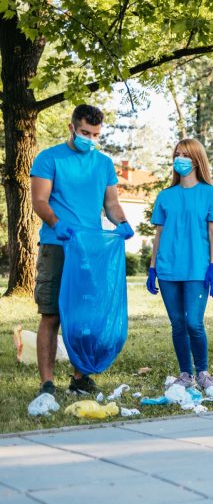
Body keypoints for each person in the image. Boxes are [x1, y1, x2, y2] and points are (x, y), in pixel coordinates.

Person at [30, 104, 134, 397]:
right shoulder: (49, 158)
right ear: (71, 127)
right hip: (57, 245)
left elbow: (111, 204)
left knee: (85, 315)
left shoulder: (102, 163)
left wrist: (122, 223)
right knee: (51, 314)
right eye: (85, 132)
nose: (90, 138)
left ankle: (79, 378)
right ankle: (47, 383)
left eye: (95, 134)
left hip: (91, 250)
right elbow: (39, 201)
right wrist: (57, 223)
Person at [146, 139, 213, 390]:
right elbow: (158, 234)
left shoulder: (211, 194)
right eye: (177, 154)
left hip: (197, 269)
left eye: (186, 155)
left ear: (197, 159)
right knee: (178, 323)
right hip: (168, 269)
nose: (180, 159)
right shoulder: (165, 196)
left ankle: (202, 372)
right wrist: (152, 267)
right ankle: (185, 374)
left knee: (194, 323)